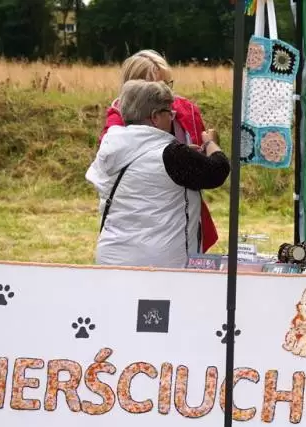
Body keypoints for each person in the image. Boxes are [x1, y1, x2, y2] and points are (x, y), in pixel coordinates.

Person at [86, 80, 230, 268]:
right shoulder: (172, 155)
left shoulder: (112, 146)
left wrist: (185, 153)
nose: (172, 118)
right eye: (169, 113)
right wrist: (211, 143)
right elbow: (218, 170)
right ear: (155, 117)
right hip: (160, 264)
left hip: (112, 257)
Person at [99, 49, 220, 253]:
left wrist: (198, 154)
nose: (165, 93)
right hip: (140, 220)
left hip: (185, 218)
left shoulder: (187, 111)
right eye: (156, 85)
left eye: (167, 84)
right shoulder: (117, 124)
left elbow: (206, 166)